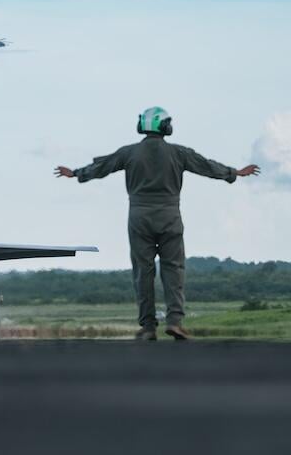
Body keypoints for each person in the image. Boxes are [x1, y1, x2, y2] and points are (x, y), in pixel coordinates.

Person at [55, 107, 259, 340]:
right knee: (174, 270)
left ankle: (148, 326)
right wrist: (234, 173)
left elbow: (103, 166)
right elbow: (206, 166)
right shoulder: (178, 152)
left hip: (139, 216)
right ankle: (174, 321)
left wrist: (76, 173)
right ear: (165, 127)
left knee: (143, 272)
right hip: (170, 215)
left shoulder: (129, 153)